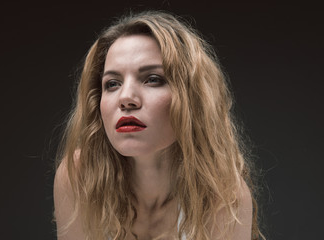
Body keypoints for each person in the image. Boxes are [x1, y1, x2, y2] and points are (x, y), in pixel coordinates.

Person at [53, 11, 263, 240]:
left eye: (153, 79)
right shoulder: (79, 176)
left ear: (191, 98)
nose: (126, 97)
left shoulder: (223, 196)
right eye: (112, 84)